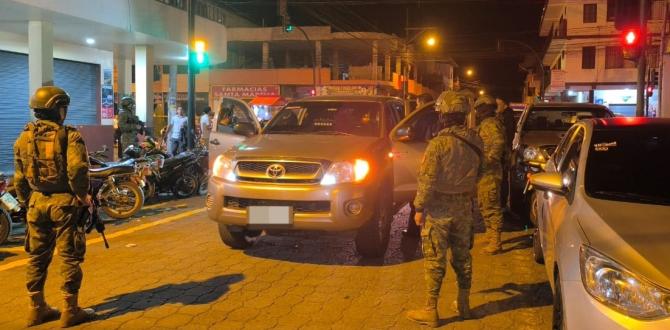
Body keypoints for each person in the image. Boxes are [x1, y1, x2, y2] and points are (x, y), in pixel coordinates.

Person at [13, 86, 95, 327]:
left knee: (36, 257)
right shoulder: (69, 136)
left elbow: (19, 177)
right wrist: (82, 196)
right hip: (64, 204)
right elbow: (77, 169)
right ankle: (71, 311)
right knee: (69, 257)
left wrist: (27, 200)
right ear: (58, 109)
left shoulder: (23, 137)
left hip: (36, 203)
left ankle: (36, 310)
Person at [406, 91, 483, 327]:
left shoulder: (438, 144)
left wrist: (419, 209)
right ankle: (464, 305)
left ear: (444, 115)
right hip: (464, 209)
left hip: (439, 210)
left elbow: (427, 180)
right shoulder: (476, 140)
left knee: (434, 260)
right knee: (463, 258)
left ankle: (431, 310)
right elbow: (482, 172)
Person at [474, 95, 506, 254]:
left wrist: (489, 159)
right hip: (486, 172)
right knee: (484, 203)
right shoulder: (489, 123)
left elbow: (498, 142)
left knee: (491, 206)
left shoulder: (490, 124)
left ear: (485, 109)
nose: (478, 112)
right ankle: (490, 234)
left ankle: (495, 242)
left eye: (479, 108)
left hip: (490, 172)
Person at [496, 98, 515, 210]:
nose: (496, 107)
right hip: (504, 151)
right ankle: (502, 202)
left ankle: (502, 203)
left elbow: (508, 135)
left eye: (498, 104)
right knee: (502, 177)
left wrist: (505, 151)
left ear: (504, 104)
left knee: (502, 177)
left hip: (503, 152)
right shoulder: (505, 115)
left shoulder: (506, 116)